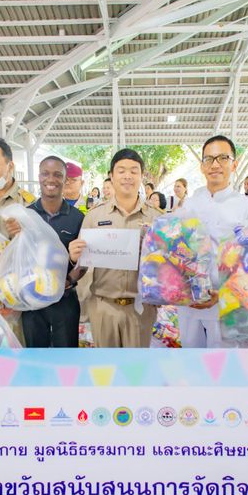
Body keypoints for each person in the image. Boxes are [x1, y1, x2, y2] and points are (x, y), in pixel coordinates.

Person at [175, 135, 248, 348]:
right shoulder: (189, 205)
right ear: (201, 166)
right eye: (208, 159)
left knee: (223, 366)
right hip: (189, 302)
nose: (215, 165)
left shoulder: (247, 209)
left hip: (228, 302)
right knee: (190, 359)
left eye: (222, 158)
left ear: (234, 164)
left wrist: (227, 292)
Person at [69, 149, 161, 348]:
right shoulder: (94, 216)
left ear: (142, 176)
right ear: (111, 176)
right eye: (121, 170)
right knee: (106, 371)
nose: (127, 176)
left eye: (134, 171)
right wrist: (74, 257)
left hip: (141, 308)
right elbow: (82, 267)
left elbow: (165, 266)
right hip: (103, 307)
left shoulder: (157, 219)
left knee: (136, 372)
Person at [22, 156, 85, 348]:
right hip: (32, 302)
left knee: (67, 362)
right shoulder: (25, 215)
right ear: (39, 177)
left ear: (65, 180)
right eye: (45, 174)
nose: (51, 179)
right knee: (35, 357)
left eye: (58, 175)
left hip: (65, 301)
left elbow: (85, 262)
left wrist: (69, 280)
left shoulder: (78, 217)